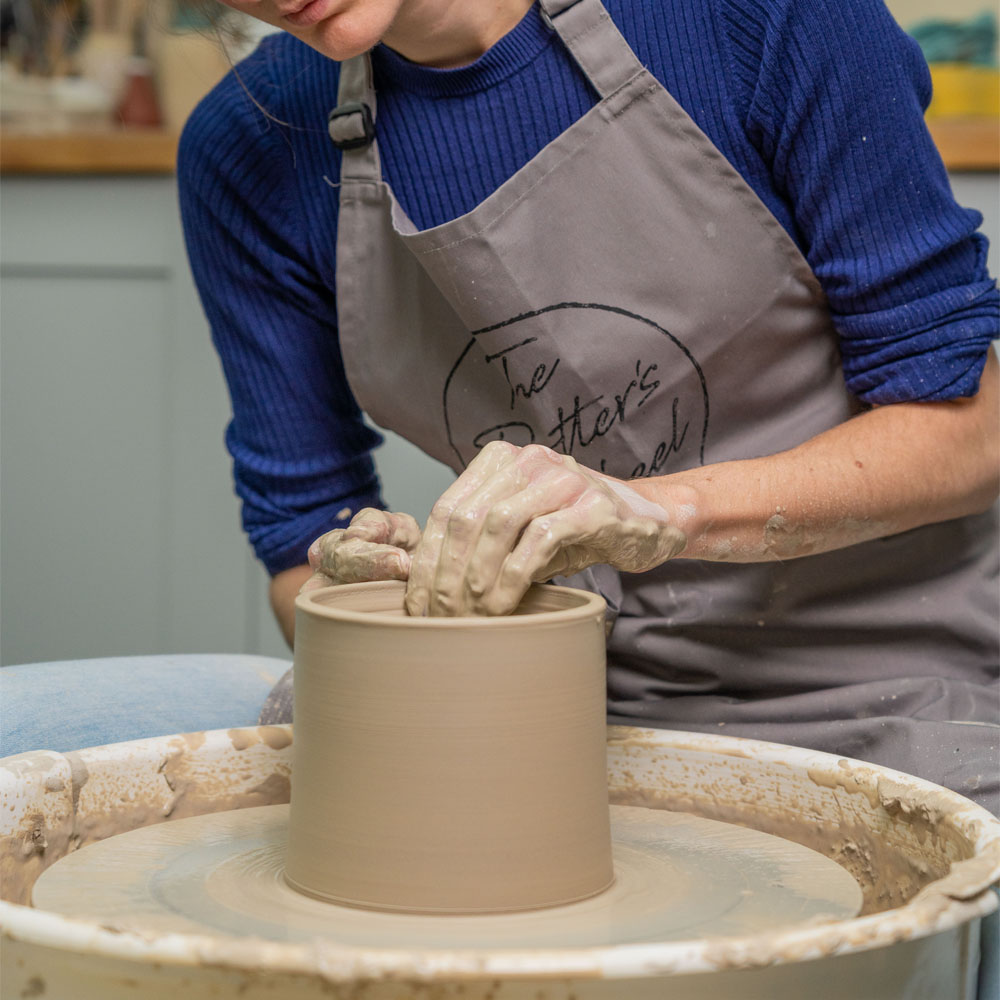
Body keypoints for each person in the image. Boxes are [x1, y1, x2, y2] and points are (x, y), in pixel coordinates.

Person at [178, 0, 998, 818]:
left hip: (897, 675)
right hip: (562, 693)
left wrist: (665, 511)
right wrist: (375, 580)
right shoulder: (250, 144)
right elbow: (300, 538)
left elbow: (971, 433)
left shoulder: (757, 16)